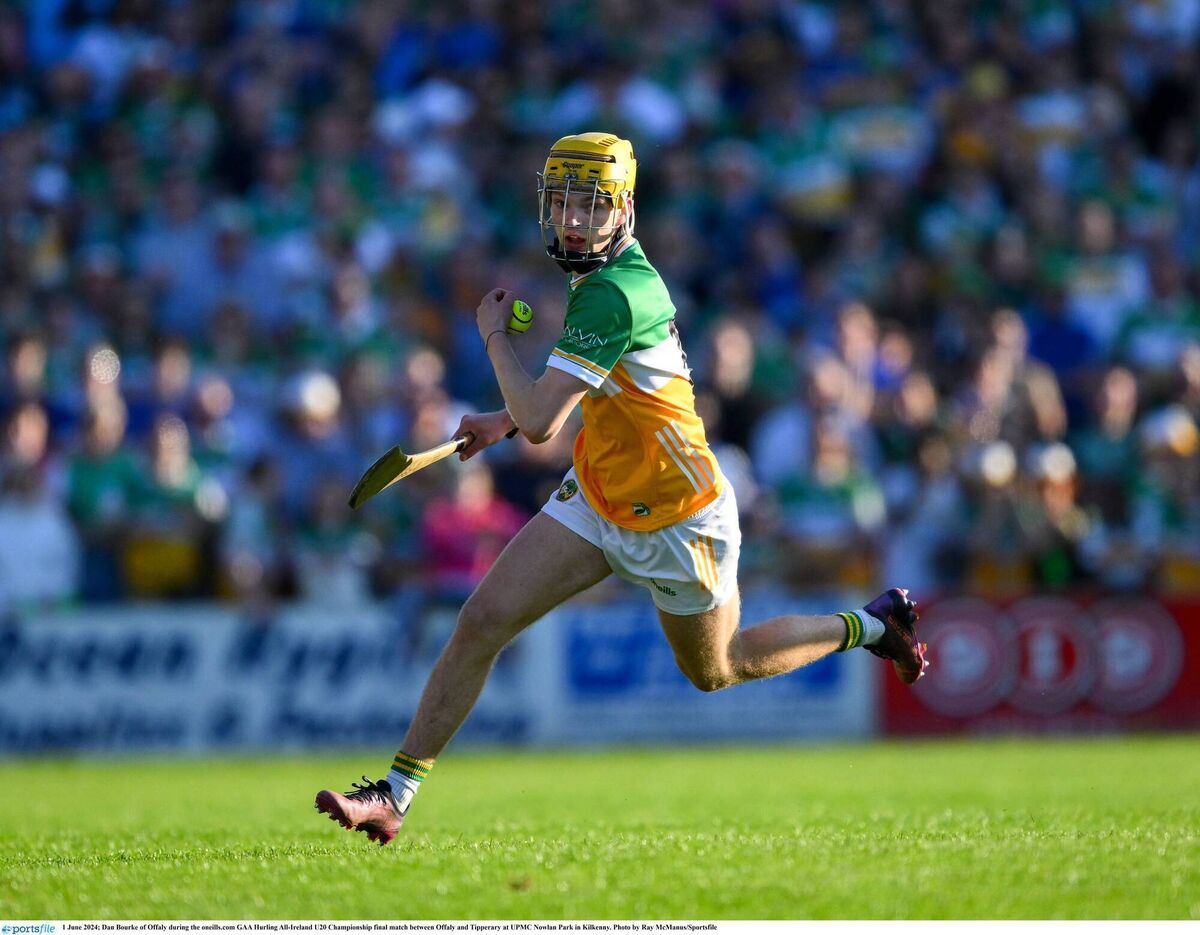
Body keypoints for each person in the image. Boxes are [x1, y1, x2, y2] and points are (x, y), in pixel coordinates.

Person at [315, 133, 929, 844]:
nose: (575, 220)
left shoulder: (612, 292)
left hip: (681, 516)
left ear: (625, 208)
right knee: (482, 621)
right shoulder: (599, 280)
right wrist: (501, 418)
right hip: (600, 493)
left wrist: (492, 337)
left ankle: (873, 626)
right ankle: (394, 794)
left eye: (593, 204)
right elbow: (583, 393)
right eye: (563, 202)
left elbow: (542, 422)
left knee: (719, 667)